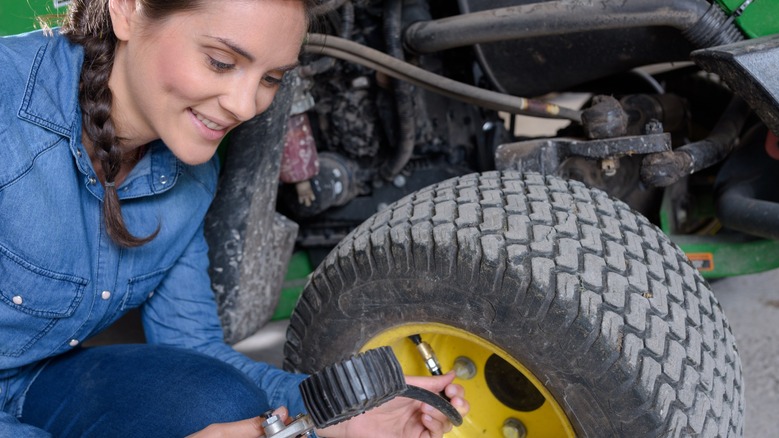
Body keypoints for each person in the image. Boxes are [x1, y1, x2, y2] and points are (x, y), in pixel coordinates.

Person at [0, 0, 469, 436]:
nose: (245, 107)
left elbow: (193, 349)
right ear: (126, 9)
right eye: (221, 62)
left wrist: (335, 418)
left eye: (271, 79)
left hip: (33, 378)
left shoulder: (191, 174)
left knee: (227, 403)